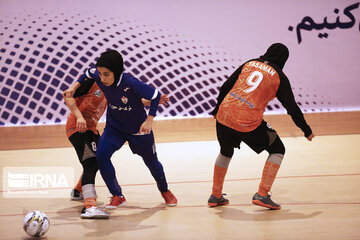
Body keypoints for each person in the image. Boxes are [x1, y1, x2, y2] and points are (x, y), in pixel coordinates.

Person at [64, 49, 177, 209]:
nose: (102, 78)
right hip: (114, 128)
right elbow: (87, 73)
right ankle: (117, 195)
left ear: (116, 72)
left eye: (106, 74)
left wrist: (149, 120)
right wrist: (74, 87)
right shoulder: (99, 76)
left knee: (151, 162)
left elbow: (155, 95)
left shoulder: (131, 83)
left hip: (138, 129)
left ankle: (165, 191)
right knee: (101, 156)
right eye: (101, 74)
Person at [208, 43, 315, 209]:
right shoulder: (279, 76)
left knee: (225, 151)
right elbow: (292, 107)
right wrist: (306, 129)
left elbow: (225, 86)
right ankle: (262, 194)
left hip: (224, 115)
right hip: (247, 122)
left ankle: (215, 195)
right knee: (278, 149)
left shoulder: (250, 63)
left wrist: (216, 110)